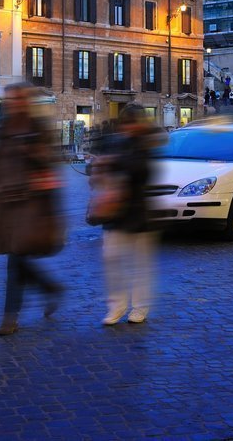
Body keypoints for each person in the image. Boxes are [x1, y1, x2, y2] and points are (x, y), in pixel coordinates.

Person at [0, 83, 64, 336]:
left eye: (17, 99)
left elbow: (51, 164)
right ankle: (50, 288)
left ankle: (10, 318)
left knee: (16, 260)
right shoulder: (3, 129)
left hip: (31, 206)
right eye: (9, 99)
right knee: (17, 259)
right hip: (5, 206)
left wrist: (33, 151)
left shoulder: (38, 129)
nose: (13, 103)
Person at [97, 105, 162, 325]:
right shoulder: (117, 143)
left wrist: (114, 164)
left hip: (138, 210)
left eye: (133, 123)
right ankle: (117, 305)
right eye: (127, 123)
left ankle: (139, 307)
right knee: (112, 259)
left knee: (140, 263)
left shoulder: (147, 145)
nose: (129, 127)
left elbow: (143, 171)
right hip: (116, 210)